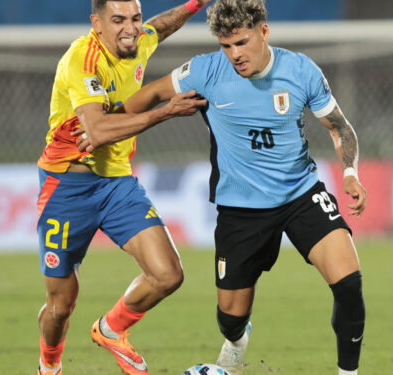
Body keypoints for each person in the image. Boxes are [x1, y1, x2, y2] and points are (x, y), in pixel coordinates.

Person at [75, 1, 367, 374]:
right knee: (230, 319)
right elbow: (147, 96)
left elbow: (339, 126)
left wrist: (349, 173)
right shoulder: (206, 71)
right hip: (240, 209)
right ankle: (237, 338)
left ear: (264, 32)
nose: (234, 55)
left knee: (348, 284)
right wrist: (107, 125)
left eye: (241, 43)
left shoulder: (300, 70)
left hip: (301, 194)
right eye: (226, 46)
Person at [34, 0, 209, 374]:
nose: (130, 28)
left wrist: (195, 4)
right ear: (96, 23)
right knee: (61, 305)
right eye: (118, 21)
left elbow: (163, 25)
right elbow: (95, 130)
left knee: (168, 274)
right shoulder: (82, 59)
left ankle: (111, 329)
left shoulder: (141, 39)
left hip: (117, 183)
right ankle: (49, 368)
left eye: (135, 18)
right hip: (67, 185)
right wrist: (165, 111)